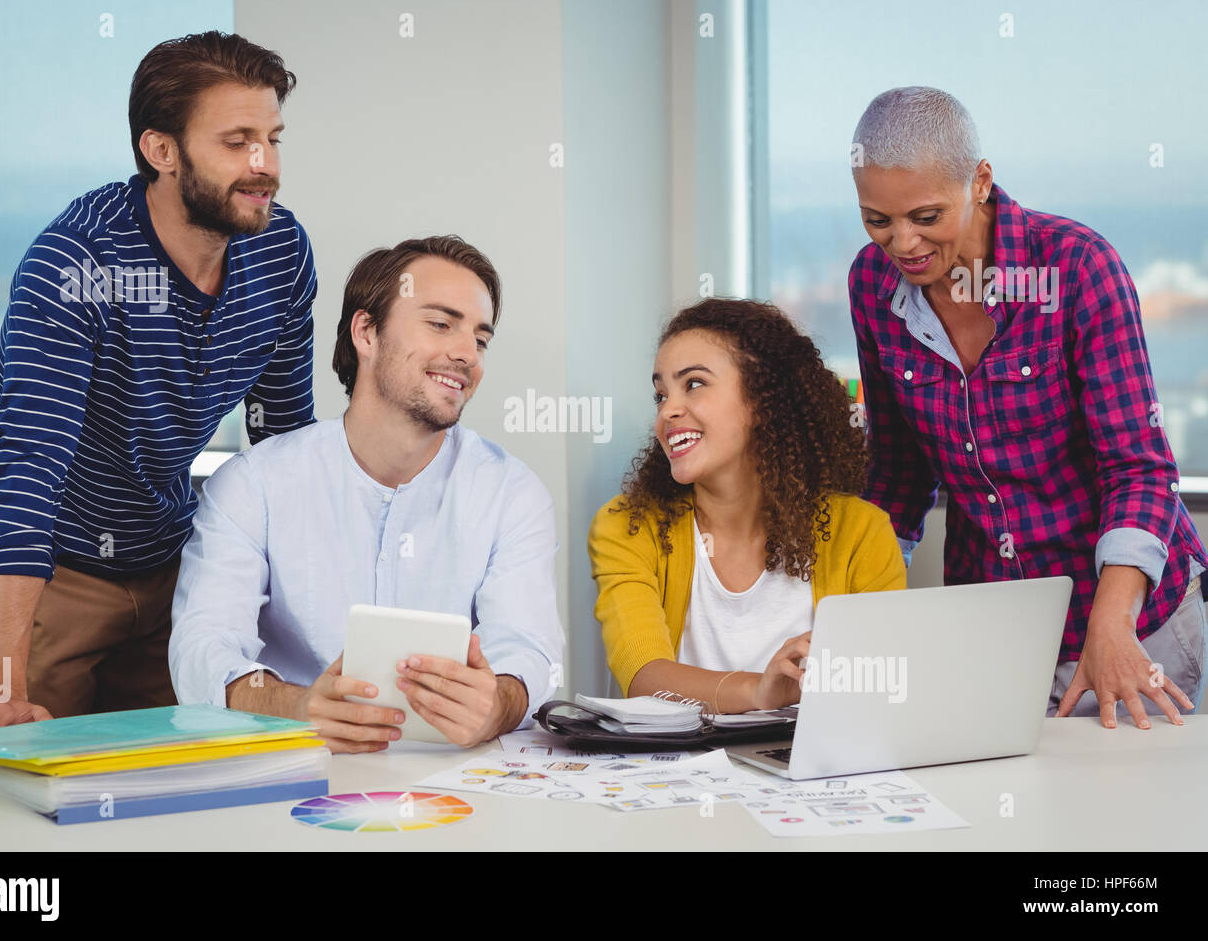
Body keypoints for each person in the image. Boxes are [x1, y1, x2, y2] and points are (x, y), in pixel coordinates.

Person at [0, 31, 317, 735]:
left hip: (173, 557)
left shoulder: (281, 252)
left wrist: (301, 641)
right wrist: (1, 691)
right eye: (237, 142)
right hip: (53, 569)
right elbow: (28, 472)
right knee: (30, 772)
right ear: (162, 150)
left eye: (272, 138)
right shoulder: (76, 263)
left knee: (177, 776)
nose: (265, 166)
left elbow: (284, 449)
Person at [848, 86, 1208, 729]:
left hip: (1129, 623)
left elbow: (1139, 470)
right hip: (993, 629)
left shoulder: (1076, 267)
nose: (903, 243)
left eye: (927, 216)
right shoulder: (871, 285)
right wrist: (851, 623)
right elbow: (899, 478)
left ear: (979, 181)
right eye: (878, 220)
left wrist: (1111, 622)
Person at [168, 236, 565, 753]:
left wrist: (498, 705)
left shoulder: (513, 493)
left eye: (481, 338)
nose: (467, 353)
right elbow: (202, 649)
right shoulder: (252, 484)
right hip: (294, 776)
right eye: (441, 324)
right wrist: (299, 707)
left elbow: (529, 650)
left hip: (453, 788)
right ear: (367, 332)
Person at [588, 298, 906, 713]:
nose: (668, 410)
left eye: (694, 384)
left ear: (762, 399)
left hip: (809, 770)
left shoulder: (862, 532)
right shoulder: (627, 527)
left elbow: (884, 687)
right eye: (660, 394)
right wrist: (761, 691)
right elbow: (645, 678)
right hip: (676, 773)